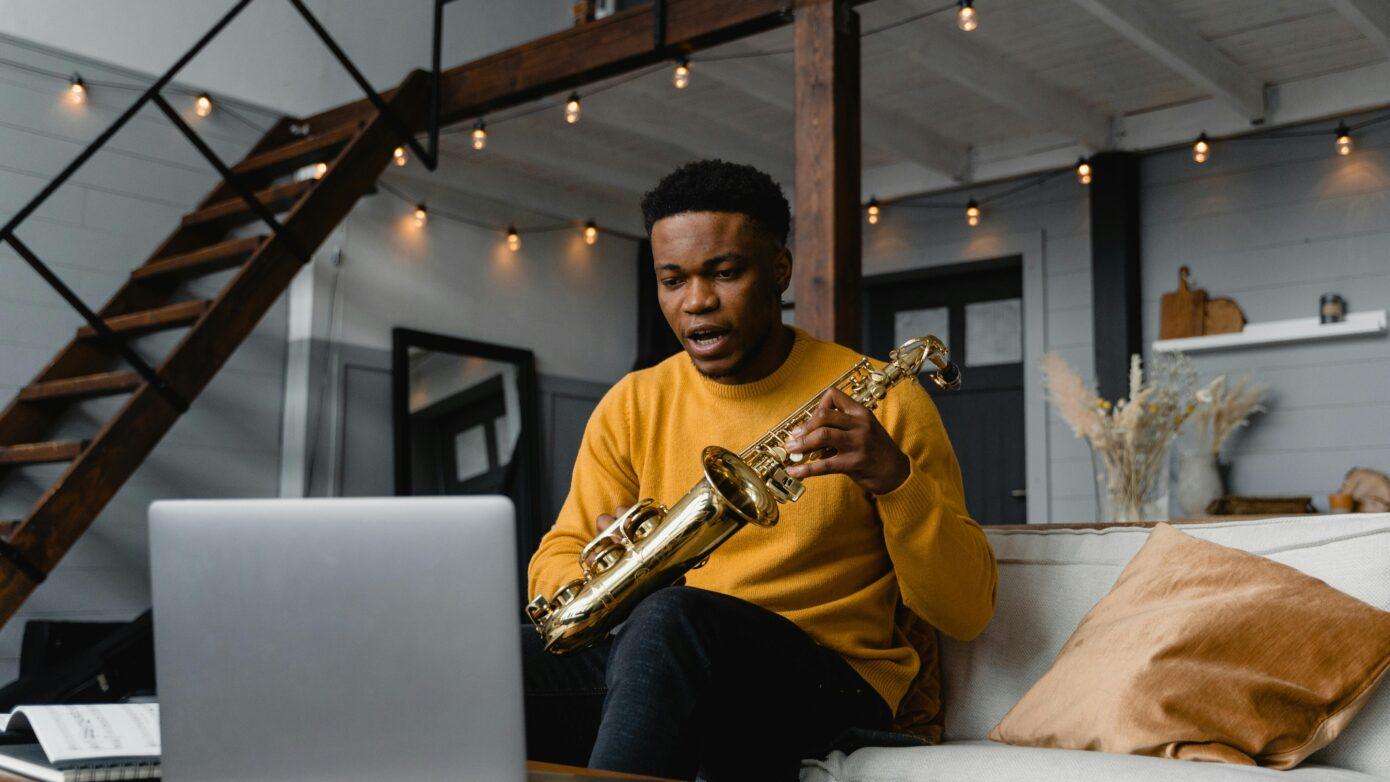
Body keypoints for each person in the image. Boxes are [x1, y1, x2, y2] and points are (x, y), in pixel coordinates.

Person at [523, 160, 997, 781]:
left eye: (724, 273)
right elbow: (556, 557)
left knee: (668, 624)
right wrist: (606, 564)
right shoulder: (632, 403)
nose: (696, 303)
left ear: (779, 270)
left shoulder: (886, 401)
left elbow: (965, 611)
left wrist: (893, 478)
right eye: (673, 280)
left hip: (833, 678)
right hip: (662, 654)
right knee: (481, 663)